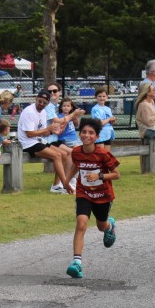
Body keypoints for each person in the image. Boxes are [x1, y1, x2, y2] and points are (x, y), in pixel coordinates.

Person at [64, 117, 119, 279]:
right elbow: (77, 165)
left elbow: (116, 174)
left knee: (101, 225)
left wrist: (99, 176)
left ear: (97, 137)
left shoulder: (103, 154)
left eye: (91, 133)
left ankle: (109, 226)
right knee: (81, 223)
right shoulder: (76, 152)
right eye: (84, 132)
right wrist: (67, 181)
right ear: (79, 134)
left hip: (103, 195)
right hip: (84, 192)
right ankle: (76, 263)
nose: (87, 135)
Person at [17, 89, 69, 192]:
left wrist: (52, 132)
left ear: (48, 103)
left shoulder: (44, 113)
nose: (41, 104)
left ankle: (56, 185)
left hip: (37, 141)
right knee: (57, 155)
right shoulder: (29, 111)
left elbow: (42, 132)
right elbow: (29, 134)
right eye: (39, 101)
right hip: (27, 143)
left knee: (64, 154)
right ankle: (65, 185)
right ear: (36, 99)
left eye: (44, 103)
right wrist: (48, 129)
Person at [42, 83, 75, 192]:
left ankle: (67, 180)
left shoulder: (58, 107)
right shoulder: (48, 106)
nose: (52, 93)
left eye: (55, 91)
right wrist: (73, 115)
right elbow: (58, 121)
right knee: (66, 154)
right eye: (49, 91)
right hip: (48, 140)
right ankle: (63, 182)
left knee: (73, 152)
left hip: (56, 139)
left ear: (60, 92)